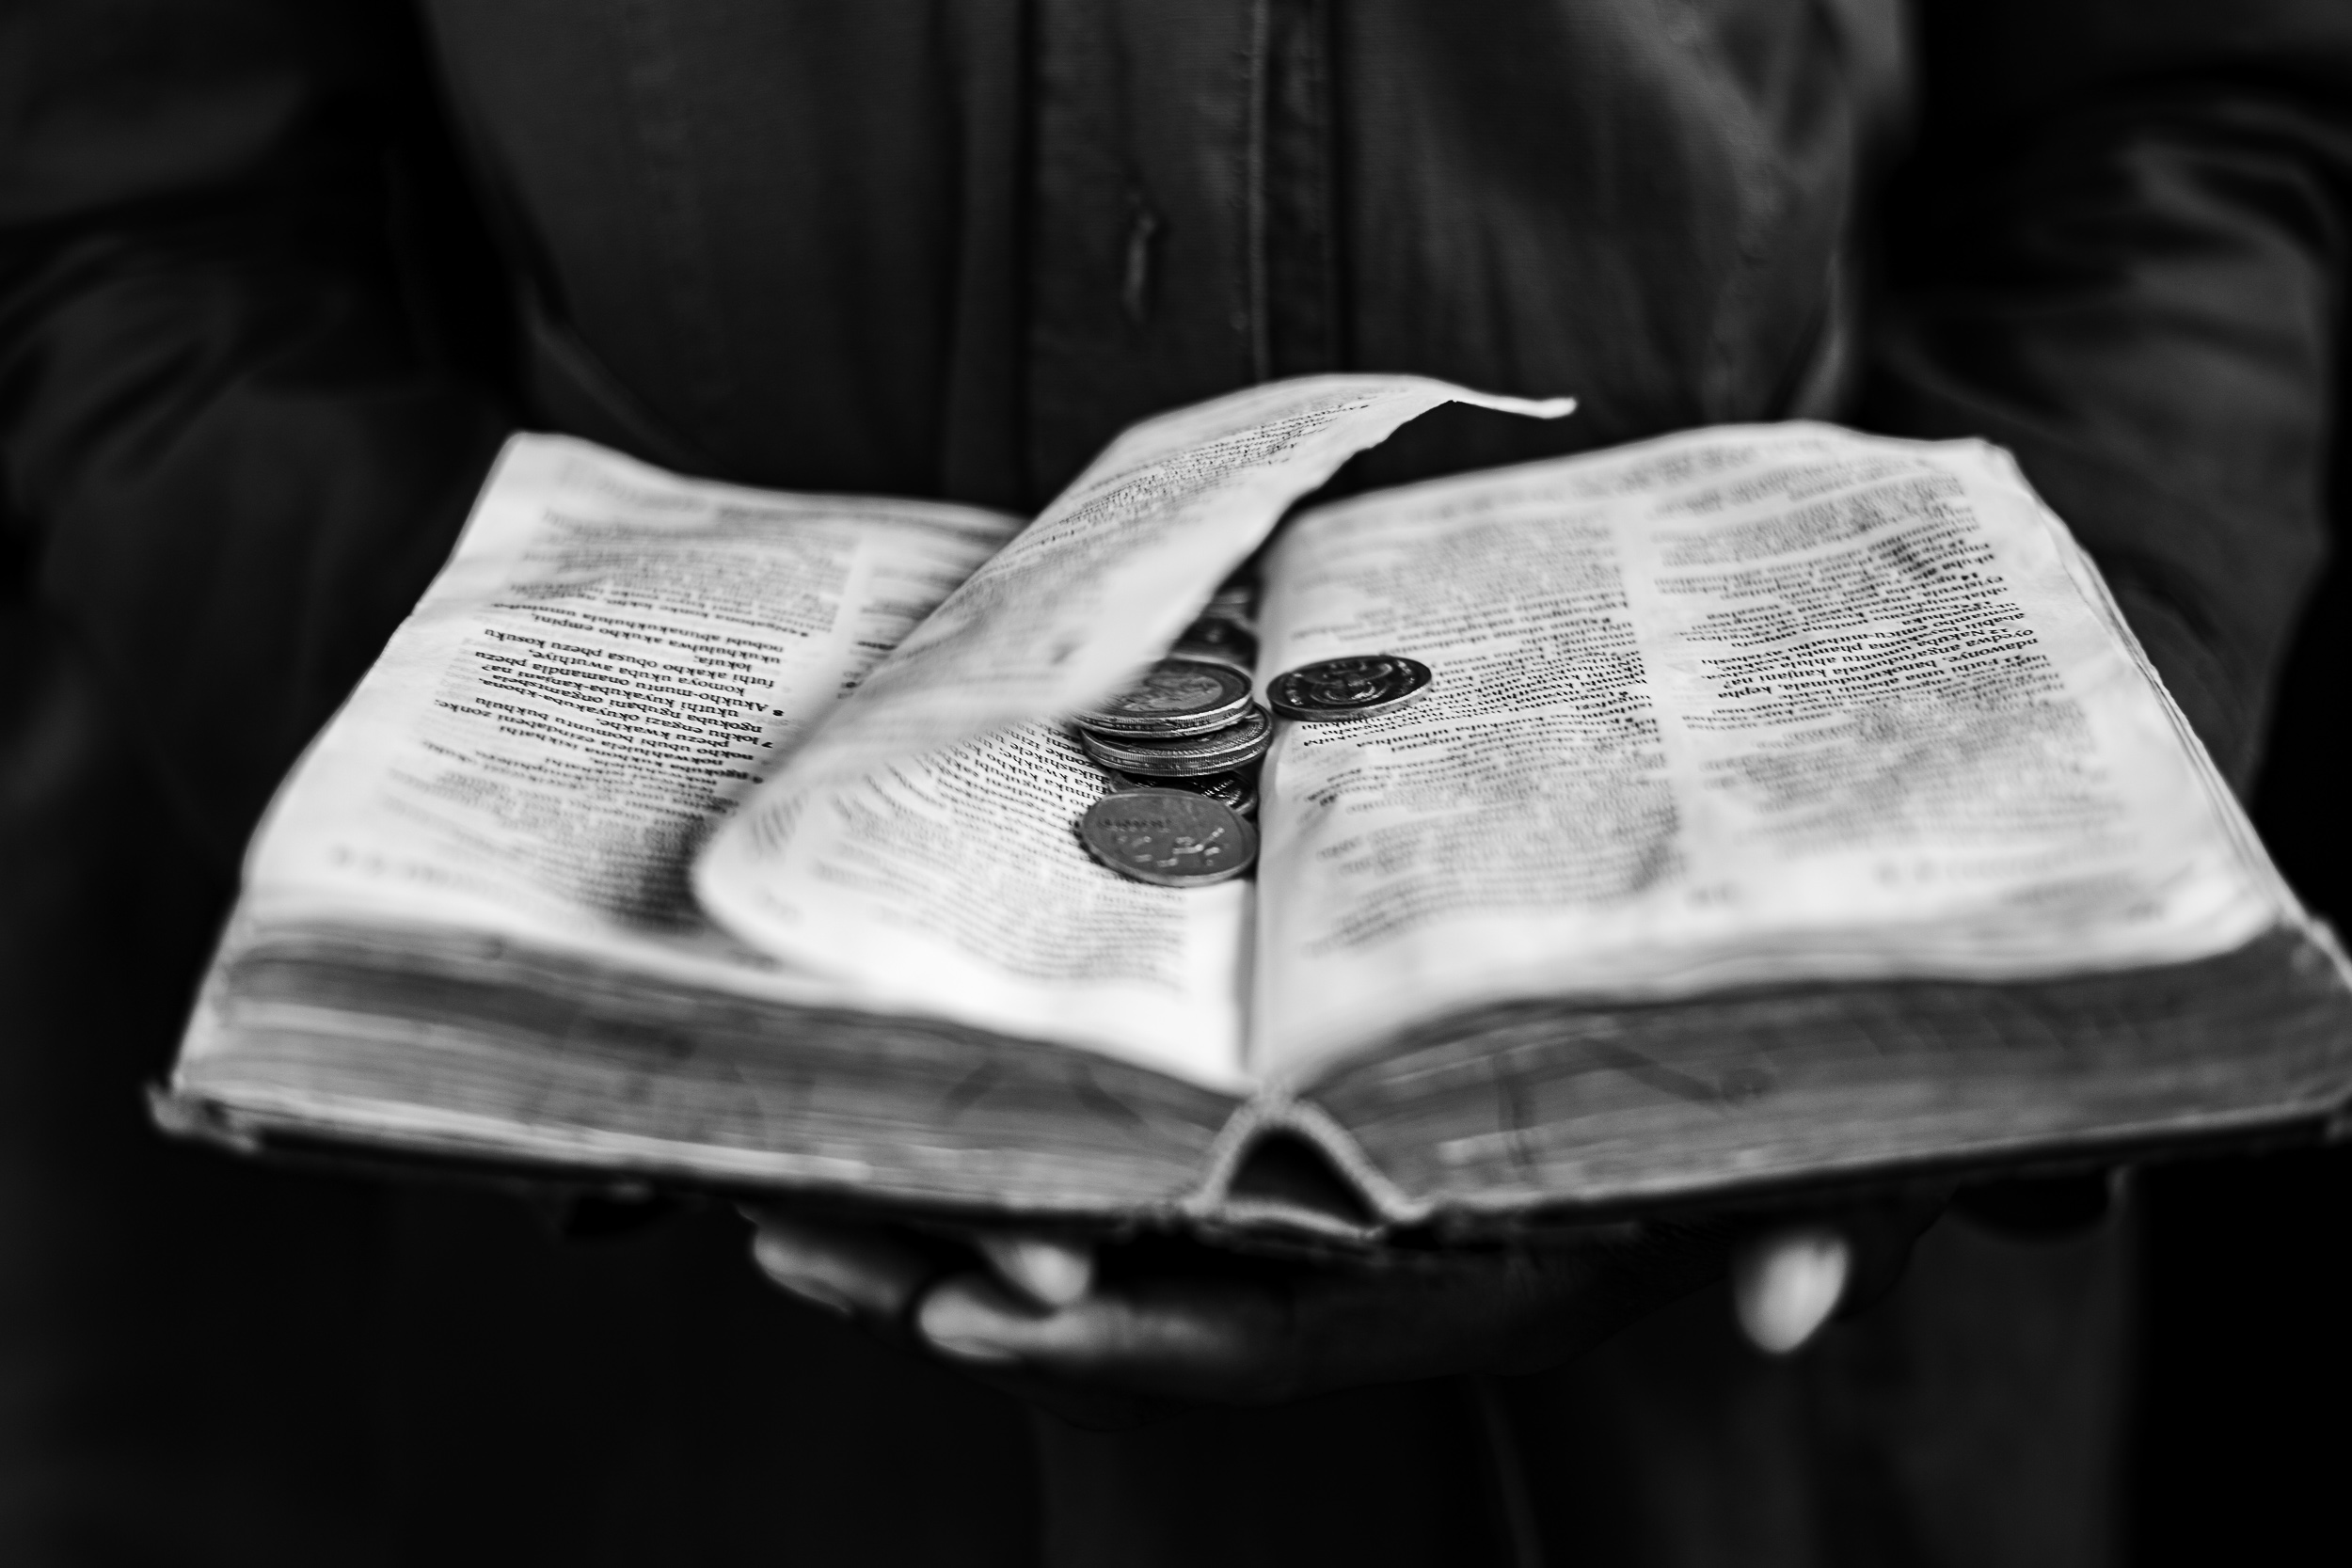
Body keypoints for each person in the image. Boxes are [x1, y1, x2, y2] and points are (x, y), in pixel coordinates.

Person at [3, 2, 2346, 1563]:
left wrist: (1980, 900)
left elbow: (2181, 124)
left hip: (1745, 1432)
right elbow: (148, 221)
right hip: (648, 1398)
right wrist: (582, 964)